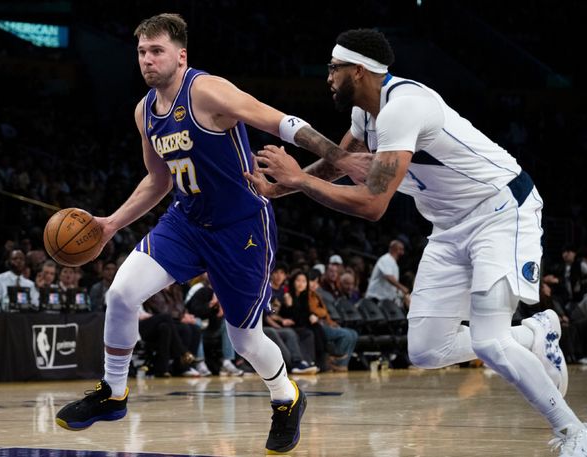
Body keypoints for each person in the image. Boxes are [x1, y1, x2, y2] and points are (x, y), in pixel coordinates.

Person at [249, 28, 587, 456]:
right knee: (427, 350)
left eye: (335, 68)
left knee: (489, 340)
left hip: (500, 210)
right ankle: (533, 333)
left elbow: (373, 203)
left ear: (360, 70)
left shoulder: (404, 108)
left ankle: (575, 432)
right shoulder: (365, 115)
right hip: (449, 225)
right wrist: (279, 189)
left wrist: (298, 179)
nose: (329, 77)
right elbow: (340, 165)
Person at [54, 14, 369, 453]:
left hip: (241, 226)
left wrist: (341, 158)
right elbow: (158, 180)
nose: (147, 59)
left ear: (181, 56)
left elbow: (281, 121)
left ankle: (286, 397)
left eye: (157, 50)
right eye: (142, 52)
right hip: (186, 222)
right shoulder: (145, 112)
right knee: (121, 294)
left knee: (244, 339)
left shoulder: (207, 91)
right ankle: (113, 392)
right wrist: (110, 224)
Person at [365, 240, 411, 309]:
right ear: (393, 249)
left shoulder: (394, 263)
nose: (402, 252)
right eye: (400, 249)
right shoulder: (386, 259)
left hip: (385, 300)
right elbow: (388, 277)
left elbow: (393, 284)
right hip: (375, 298)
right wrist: (402, 288)